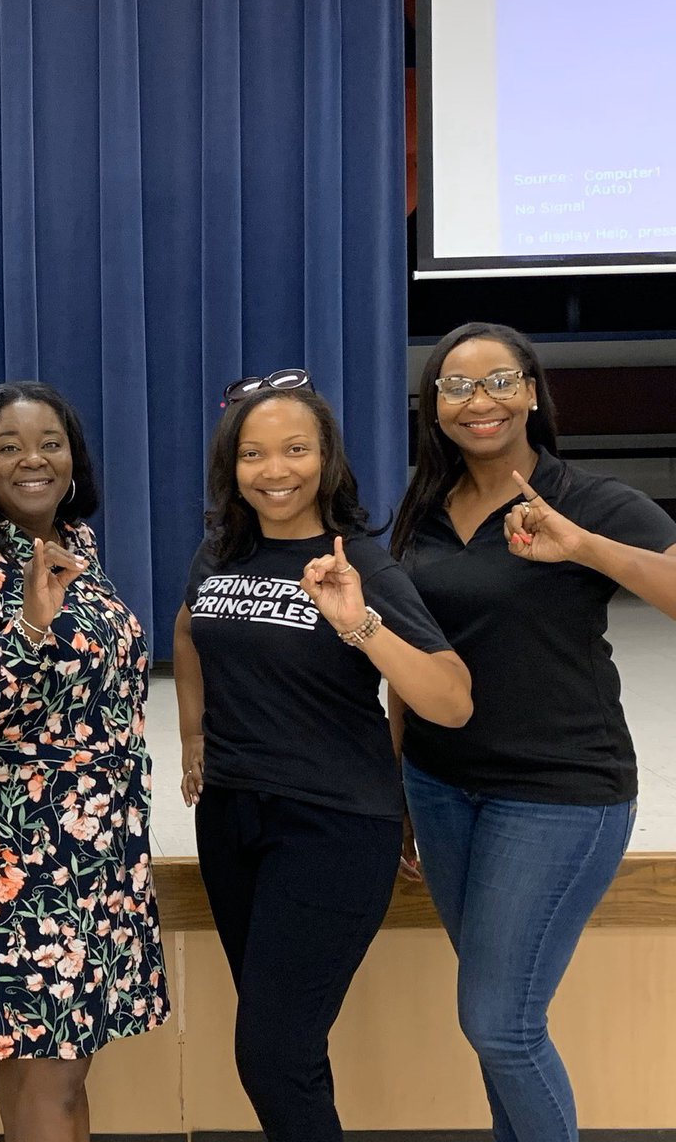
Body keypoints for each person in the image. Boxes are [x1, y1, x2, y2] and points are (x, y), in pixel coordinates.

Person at [389, 322, 676, 1142]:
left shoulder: (590, 500)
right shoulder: (424, 511)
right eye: (456, 386)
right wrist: (400, 783)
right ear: (434, 407)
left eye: (498, 381)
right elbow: (416, 655)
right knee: (497, 1023)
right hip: (442, 790)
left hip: (559, 794)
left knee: (499, 1024)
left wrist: (584, 548)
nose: (478, 401)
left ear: (534, 392)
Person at [174, 372, 472, 1142]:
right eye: (254, 454)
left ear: (327, 458)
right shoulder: (223, 553)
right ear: (230, 467)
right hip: (235, 821)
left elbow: (449, 697)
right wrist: (193, 736)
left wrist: (358, 624)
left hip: (334, 826)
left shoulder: (359, 564)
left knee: (270, 1054)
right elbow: (188, 630)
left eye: (295, 449)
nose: (275, 471)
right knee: (290, 1047)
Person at [0, 381, 168, 1142]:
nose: (33, 460)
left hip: (95, 842)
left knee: (45, 1057)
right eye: (9, 446)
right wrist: (26, 627)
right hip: (14, 847)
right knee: (49, 1059)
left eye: (49, 442)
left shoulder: (74, 542)